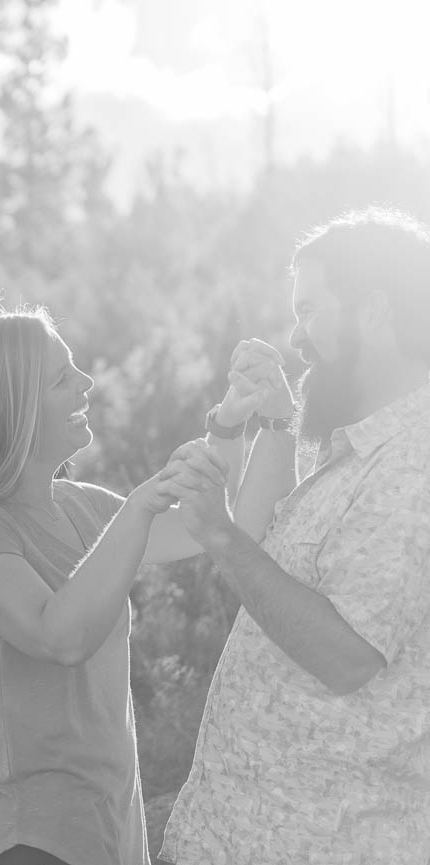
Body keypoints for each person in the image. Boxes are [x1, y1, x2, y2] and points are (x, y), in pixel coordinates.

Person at [0, 307, 269, 865]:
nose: (87, 383)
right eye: (60, 378)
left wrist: (229, 426)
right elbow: (59, 637)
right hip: (29, 838)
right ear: (11, 407)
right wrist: (141, 506)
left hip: (111, 824)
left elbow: (208, 530)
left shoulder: (80, 507)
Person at [160, 207, 430, 864]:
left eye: (311, 309)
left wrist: (223, 537)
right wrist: (279, 420)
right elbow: (291, 568)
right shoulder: (363, 452)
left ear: (372, 311)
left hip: (325, 842)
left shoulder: (413, 465)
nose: (298, 336)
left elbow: (348, 654)